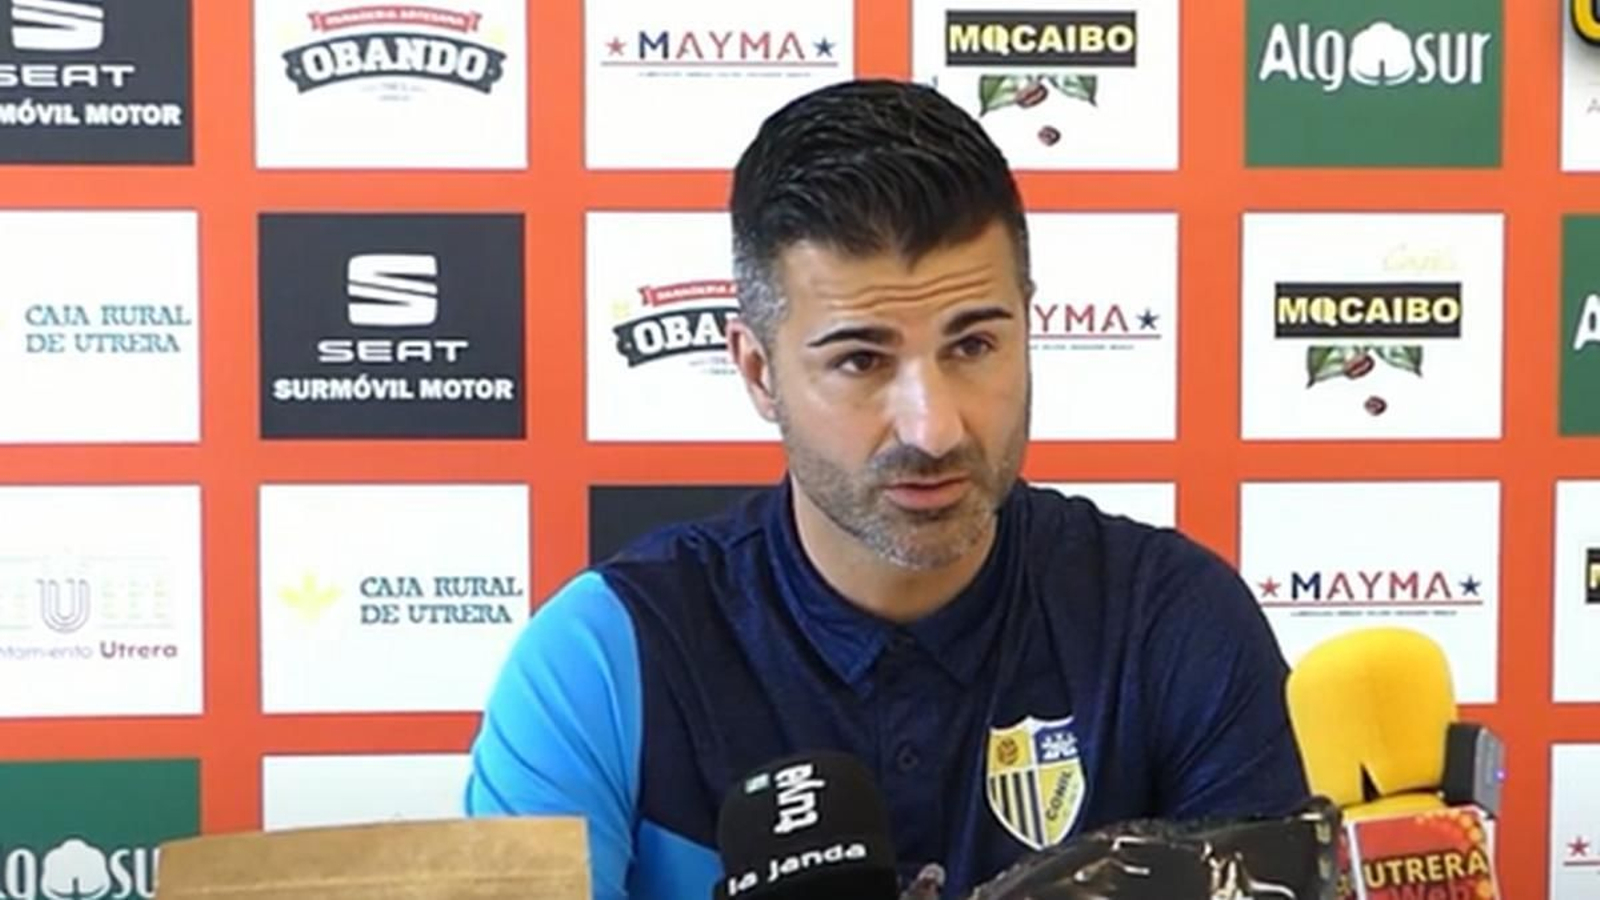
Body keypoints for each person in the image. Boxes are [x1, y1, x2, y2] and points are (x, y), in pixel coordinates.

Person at [463, 78, 1310, 899]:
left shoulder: (1175, 622)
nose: (932, 427)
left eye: (973, 346)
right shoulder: (600, 661)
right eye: (861, 360)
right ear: (759, 372)